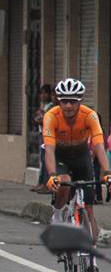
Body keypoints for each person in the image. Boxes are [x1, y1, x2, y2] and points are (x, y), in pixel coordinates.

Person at [43, 78, 111, 247]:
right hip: (59, 156)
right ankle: (57, 214)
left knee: (89, 210)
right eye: (64, 101)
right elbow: (49, 150)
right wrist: (52, 175)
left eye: (72, 101)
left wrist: (107, 173)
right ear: (59, 101)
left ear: (79, 101)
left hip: (81, 157)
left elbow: (99, 146)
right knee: (64, 182)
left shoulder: (90, 116)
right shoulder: (51, 116)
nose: (68, 106)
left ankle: (91, 258)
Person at [33, 84, 54, 192]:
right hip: (42, 134)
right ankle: (41, 182)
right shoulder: (44, 107)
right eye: (41, 93)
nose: (42, 95)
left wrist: (41, 117)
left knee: (46, 159)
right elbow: (38, 118)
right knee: (42, 159)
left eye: (44, 93)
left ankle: (46, 183)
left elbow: (44, 120)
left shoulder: (51, 107)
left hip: (47, 136)